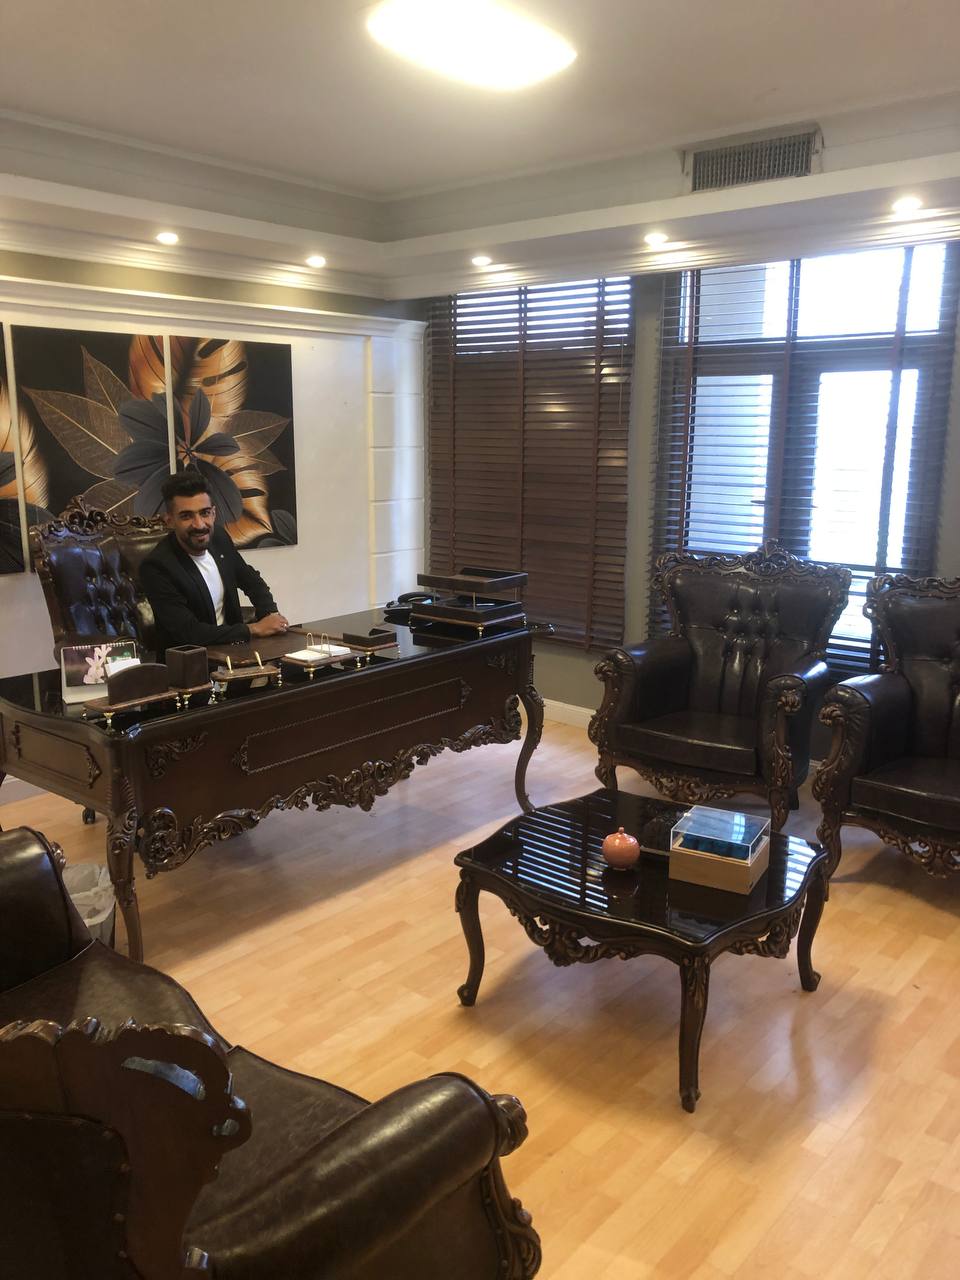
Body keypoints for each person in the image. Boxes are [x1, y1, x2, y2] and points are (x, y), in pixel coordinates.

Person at [140, 469, 289, 657]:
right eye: (186, 516)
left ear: (214, 513)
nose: (199, 524)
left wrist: (270, 614)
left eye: (205, 513)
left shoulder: (219, 538)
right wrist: (254, 629)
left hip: (235, 655)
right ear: (169, 520)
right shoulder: (156, 567)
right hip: (190, 664)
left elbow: (251, 580)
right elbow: (189, 633)